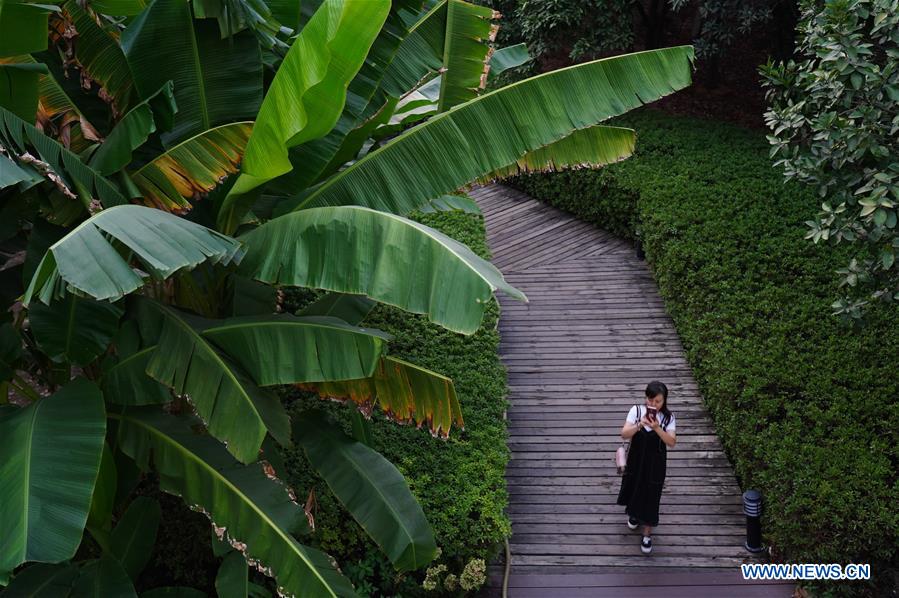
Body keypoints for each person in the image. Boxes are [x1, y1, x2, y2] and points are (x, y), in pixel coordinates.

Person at [616, 380, 677, 554]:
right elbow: (624, 434)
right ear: (646, 398)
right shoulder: (636, 411)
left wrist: (657, 427)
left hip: (656, 463)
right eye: (650, 400)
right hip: (636, 459)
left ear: (664, 401)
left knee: (652, 494)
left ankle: (647, 534)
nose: (653, 405)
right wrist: (640, 424)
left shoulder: (668, 418)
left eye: (658, 401)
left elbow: (671, 442)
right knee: (634, 486)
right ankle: (634, 515)